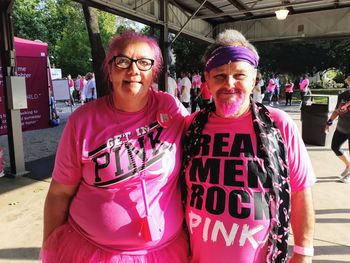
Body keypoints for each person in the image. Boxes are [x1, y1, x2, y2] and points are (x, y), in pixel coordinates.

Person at [42, 31, 190, 263]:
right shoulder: (82, 121)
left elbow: (206, 131)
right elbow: (59, 194)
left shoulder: (170, 109)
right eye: (122, 61)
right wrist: (50, 248)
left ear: (153, 73)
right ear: (109, 71)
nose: (133, 71)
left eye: (143, 63)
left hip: (164, 253)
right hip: (91, 252)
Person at [181, 29, 316, 263]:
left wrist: (304, 253)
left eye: (239, 75)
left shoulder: (278, 124)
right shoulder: (191, 126)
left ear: (254, 79)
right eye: (220, 76)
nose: (229, 84)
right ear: (208, 80)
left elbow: (301, 192)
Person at [325, 75, 350, 183]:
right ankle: (349, 165)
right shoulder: (343, 95)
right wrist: (328, 123)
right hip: (342, 127)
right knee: (335, 147)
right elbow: (336, 111)